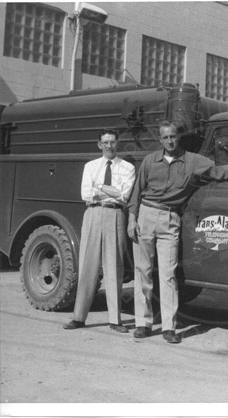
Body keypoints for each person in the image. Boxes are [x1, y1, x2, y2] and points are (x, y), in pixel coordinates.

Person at [127, 120, 228, 343]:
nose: (170, 141)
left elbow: (217, 170)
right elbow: (136, 191)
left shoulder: (192, 161)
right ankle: (143, 323)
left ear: (178, 136)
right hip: (146, 214)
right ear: (160, 139)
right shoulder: (150, 161)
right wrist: (132, 218)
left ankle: (169, 327)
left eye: (173, 136)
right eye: (165, 138)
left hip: (170, 219)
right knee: (143, 271)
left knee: (168, 274)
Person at [64, 128, 135, 333]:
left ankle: (115, 320)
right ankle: (78, 317)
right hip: (93, 215)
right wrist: (108, 191)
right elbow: (86, 194)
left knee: (114, 267)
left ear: (117, 143)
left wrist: (99, 187)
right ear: (99, 144)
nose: (109, 146)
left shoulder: (128, 167)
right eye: (105, 142)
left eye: (113, 142)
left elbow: (123, 196)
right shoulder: (90, 166)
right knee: (87, 265)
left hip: (115, 216)